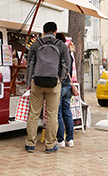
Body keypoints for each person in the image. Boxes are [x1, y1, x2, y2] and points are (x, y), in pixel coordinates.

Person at [25, 22, 70, 154]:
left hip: (37, 82)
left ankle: (30, 144)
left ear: (43, 31)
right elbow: (66, 65)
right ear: (55, 31)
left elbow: (30, 64)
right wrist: (60, 80)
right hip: (54, 83)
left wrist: (29, 82)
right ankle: (50, 146)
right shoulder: (61, 45)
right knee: (52, 115)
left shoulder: (36, 44)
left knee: (33, 114)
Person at [56, 33, 74, 148]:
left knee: (58, 114)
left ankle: (60, 140)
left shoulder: (57, 52)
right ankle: (70, 139)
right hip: (68, 86)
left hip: (60, 85)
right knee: (67, 112)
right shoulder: (69, 54)